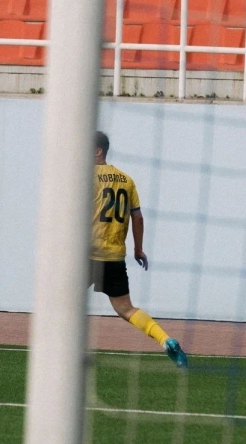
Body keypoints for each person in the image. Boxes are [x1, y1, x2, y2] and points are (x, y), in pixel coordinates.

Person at [90, 131, 188, 368]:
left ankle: (57, 351)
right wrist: (138, 249)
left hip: (89, 255)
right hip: (114, 256)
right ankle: (166, 340)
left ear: (98, 151)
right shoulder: (127, 180)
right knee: (127, 309)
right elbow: (138, 217)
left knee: (59, 299)